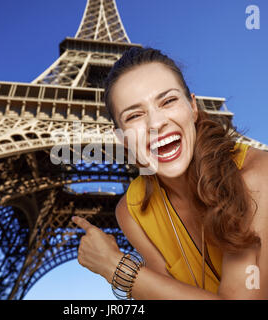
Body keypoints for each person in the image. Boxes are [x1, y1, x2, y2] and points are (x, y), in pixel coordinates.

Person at [71, 47, 268, 300]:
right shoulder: (132, 212)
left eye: (168, 101)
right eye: (134, 115)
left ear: (193, 107)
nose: (156, 123)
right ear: (122, 138)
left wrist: (114, 267)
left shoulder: (254, 175)